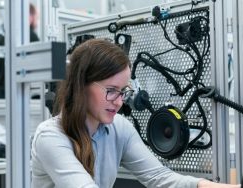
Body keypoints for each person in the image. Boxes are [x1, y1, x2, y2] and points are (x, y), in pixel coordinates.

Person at [31, 39, 240, 188]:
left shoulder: (119, 128)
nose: (120, 101)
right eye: (111, 91)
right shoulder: (51, 136)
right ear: (81, 86)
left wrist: (209, 186)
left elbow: (159, 178)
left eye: (123, 92)